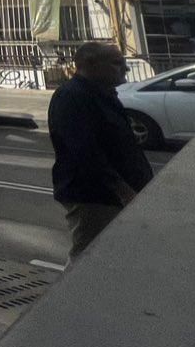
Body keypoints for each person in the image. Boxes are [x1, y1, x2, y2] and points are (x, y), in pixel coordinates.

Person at [48, 42, 153, 260]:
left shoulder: (104, 93)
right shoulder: (71, 97)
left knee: (115, 256)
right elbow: (86, 152)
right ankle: (74, 294)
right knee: (88, 259)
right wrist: (122, 190)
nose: (125, 68)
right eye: (117, 63)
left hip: (115, 195)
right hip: (95, 197)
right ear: (90, 64)